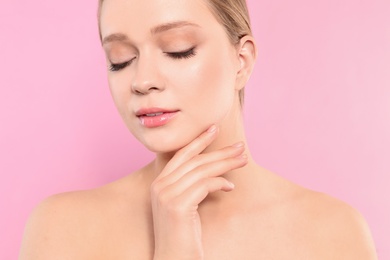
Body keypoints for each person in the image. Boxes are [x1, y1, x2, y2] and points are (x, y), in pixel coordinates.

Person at [19, 0, 377, 259]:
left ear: (242, 60)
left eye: (178, 50)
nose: (142, 81)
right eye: (121, 59)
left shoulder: (332, 232)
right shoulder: (61, 229)